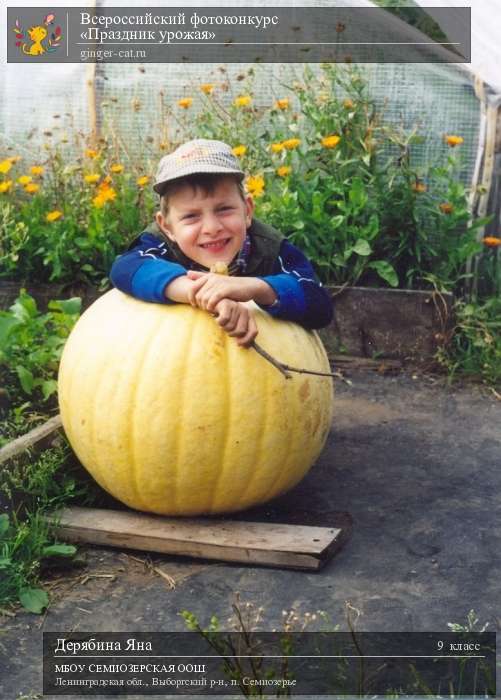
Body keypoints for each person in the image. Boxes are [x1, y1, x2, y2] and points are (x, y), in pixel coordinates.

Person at [110, 139, 333, 347]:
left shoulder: (270, 248)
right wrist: (198, 292)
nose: (211, 228)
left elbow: (319, 305)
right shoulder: (158, 242)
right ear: (167, 226)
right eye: (191, 216)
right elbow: (126, 267)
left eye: (224, 209)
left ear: (247, 210)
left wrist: (257, 287)